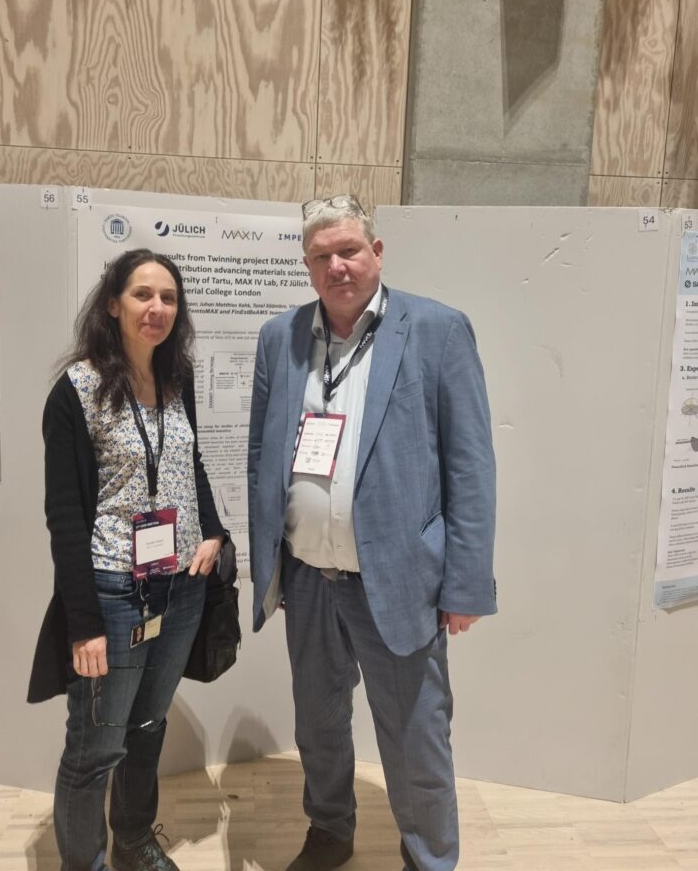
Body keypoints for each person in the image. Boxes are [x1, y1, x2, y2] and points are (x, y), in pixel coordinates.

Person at [247, 196, 496, 871]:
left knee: (416, 736)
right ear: (307, 266)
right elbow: (261, 455)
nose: (337, 266)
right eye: (321, 256)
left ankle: (429, 858)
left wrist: (466, 583)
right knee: (318, 723)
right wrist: (269, 566)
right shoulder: (280, 337)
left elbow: (470, 467)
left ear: (377, 253)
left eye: (349, 250)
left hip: (399, 577)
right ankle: (330, 832)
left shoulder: (438, 330)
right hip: (308, 577)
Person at [28, 249, 226, 871]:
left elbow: (190, 465)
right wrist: (83, 622)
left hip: (181, 587)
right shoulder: (77, 390)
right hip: (114, 593)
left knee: (147, 728)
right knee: (95, 748)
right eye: (143, 294)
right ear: (113, 304)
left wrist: (213, 531)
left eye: (168, 297)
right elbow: (65, 517)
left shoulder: (177, 378)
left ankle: (134, 842)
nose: (157, 308)